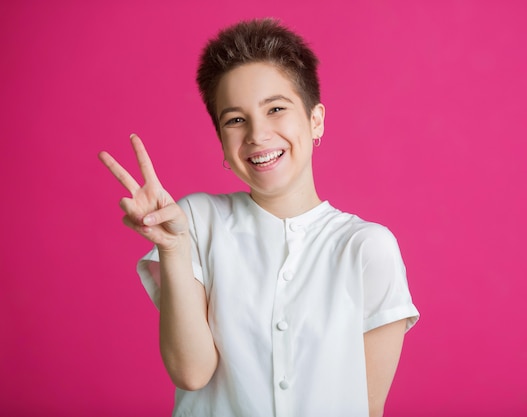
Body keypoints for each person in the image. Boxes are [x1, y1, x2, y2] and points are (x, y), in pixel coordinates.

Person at [99, 18, 419, 417]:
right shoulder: (196, 220)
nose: (257, 134)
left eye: (276, 109)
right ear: (221, 141)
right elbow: (191, 373)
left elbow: (367, 407)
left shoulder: (368, 248)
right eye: (235, 119)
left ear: (315, 119)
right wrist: (174, 248)